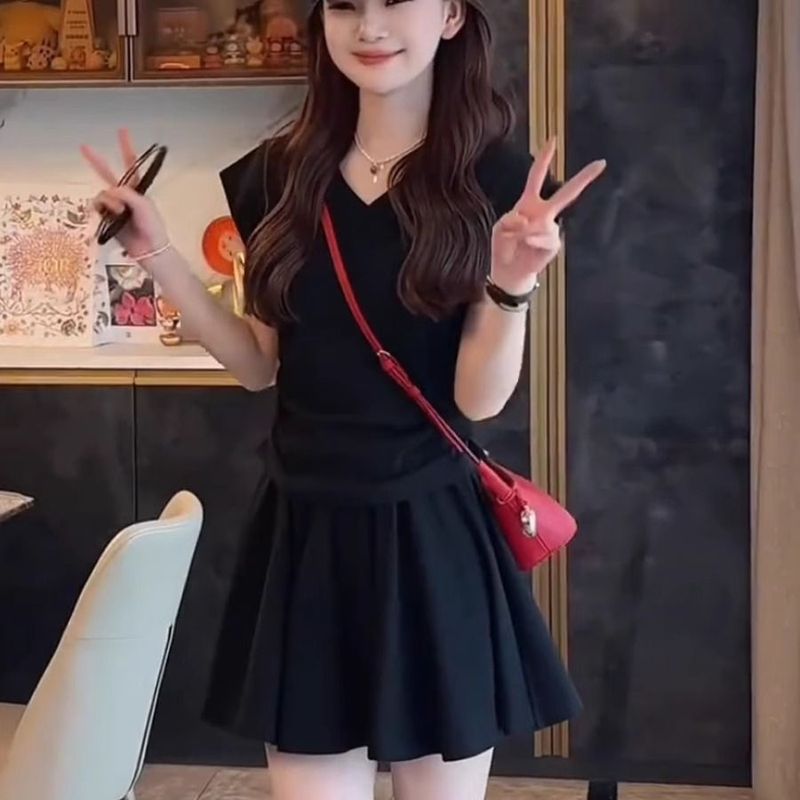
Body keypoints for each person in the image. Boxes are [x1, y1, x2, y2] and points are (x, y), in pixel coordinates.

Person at [82, 1, 605, 797]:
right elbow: (259, 365)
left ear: (451, 16)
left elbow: (478, 400)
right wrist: (156, 254)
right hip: (306, 532)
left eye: (396, 2)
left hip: (433, 535)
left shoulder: (499, 183)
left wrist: (511, 284)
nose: (370, 28)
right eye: (345, 5)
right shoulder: (274, 177)